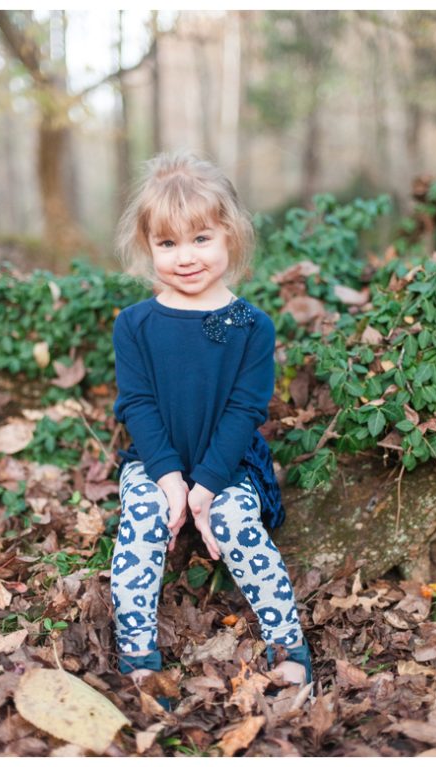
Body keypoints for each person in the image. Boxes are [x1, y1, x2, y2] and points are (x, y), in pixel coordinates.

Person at [110, 152, 311, 707]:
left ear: (231, 237)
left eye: (201, 238)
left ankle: (287, 644)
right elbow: (140, 405)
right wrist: (172, 481)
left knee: (238, 524)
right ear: (147, 247)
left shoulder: (250, 326)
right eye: (168, 243)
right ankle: (139, 656)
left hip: (230, 465)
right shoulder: (135, 325)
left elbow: (246, 410)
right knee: (142, 522)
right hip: (156, 462)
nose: (185, 257)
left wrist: (206, 489)